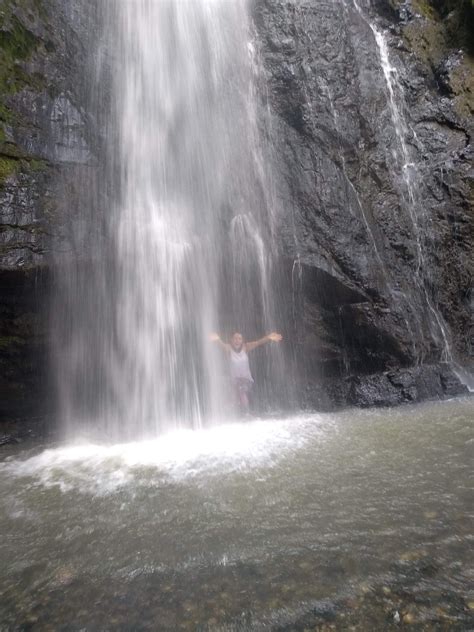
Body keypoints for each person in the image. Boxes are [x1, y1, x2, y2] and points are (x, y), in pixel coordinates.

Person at [210, 331, 283, 413]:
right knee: (233, 397)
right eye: (235, 338)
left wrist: (269, 337)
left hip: (245, 379)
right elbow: (222, 345)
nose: (237, 341)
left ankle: (246, 413)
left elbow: (258, 342)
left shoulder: (246, 347)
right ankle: (232, 414)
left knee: (242, 392)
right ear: (231, 340)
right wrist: (217, 339)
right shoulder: (228, 348)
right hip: (234, 380)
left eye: (239, 339)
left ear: (242, 341)